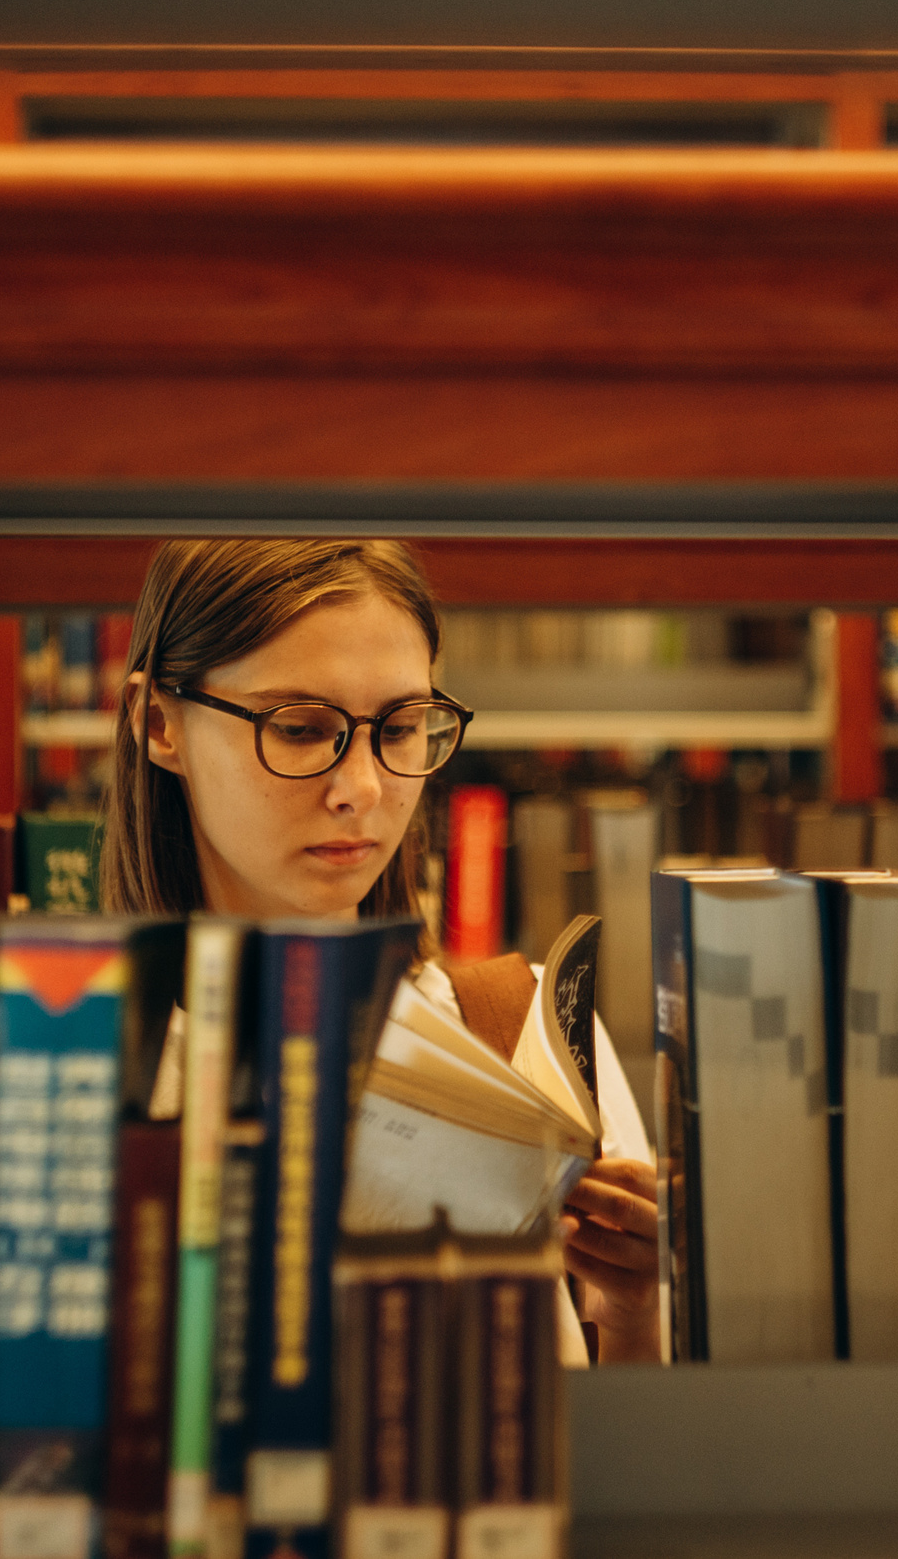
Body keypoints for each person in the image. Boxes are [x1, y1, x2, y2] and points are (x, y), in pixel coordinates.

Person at [99, 537, 662, 1365]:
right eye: (298, 728)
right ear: (160, 723)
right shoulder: (79, 1066)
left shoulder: (525, 1032)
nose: (361, 786)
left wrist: (632, 1307)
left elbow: (635, 1470)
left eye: (400, 727)